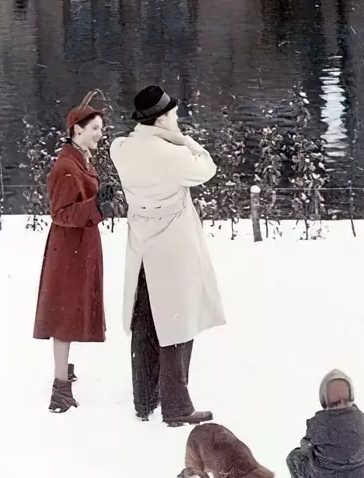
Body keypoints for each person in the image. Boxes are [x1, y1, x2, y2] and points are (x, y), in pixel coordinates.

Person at [108, 84, 223, 426]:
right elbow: (208, 167)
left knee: (144, 322)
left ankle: (144, 400)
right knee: (177, 325)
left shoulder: (121, 148)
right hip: (172, 248)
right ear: (161, 120)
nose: (177, 118)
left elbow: (133, 144)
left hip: (141, 247)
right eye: (172, 114)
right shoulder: (171, 154)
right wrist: (182, 139)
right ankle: (176, 405)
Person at [33, 94, 109, 412]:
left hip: (79, 247)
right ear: (77, 130)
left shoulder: (80, 160)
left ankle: (63, 369)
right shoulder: (67, 166)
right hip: (68, 251)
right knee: (63, 315)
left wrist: (100, 202)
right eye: (94, 128)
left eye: (101, 128)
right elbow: (60, 213)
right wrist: (97, 204)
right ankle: (60, 388)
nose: (100, 134)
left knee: (71, 310)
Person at [287, 369, 364, 478]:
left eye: (344, 399)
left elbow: (298, 455)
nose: (341, 404)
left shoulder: (316, 425)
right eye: (336, 401)